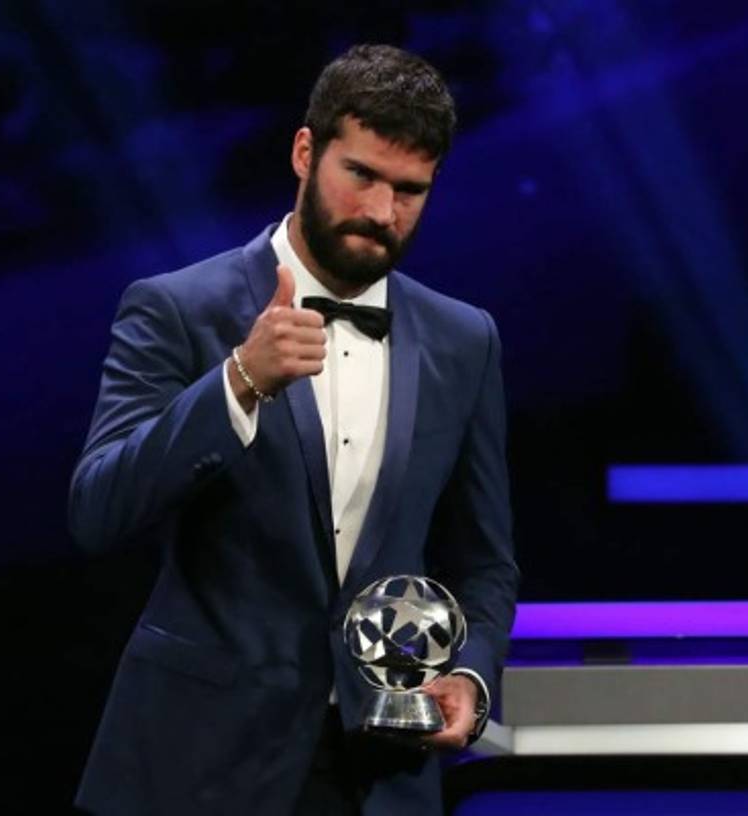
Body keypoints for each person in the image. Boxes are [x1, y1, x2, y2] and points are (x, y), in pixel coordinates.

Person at [69, 44, 518, 815]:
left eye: (410, 190)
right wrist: (238, 381)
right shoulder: (178, 308)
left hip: (378, 776)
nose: (382, 212)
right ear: (305, 151)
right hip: (194, 769)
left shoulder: (464, 339)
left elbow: (485, 562)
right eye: (363, 176)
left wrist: (470, 677)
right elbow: (98, 509)